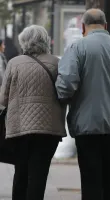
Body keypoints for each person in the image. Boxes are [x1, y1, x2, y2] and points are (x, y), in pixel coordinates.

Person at [56, 8, 110, 200]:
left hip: (87, 127)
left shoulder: (78, 49)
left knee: (90, 180)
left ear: (83, 27)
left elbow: (66, 86)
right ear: (106, 26)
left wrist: (63, 99)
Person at [0, 25, 66, 200]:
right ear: (45, 41)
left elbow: (3, 99)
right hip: (48, 130)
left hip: (19, 129)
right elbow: (64, 93)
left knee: (21, 172)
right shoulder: (57, 63)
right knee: (39, 174)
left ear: (24, 42)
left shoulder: (14, 63)